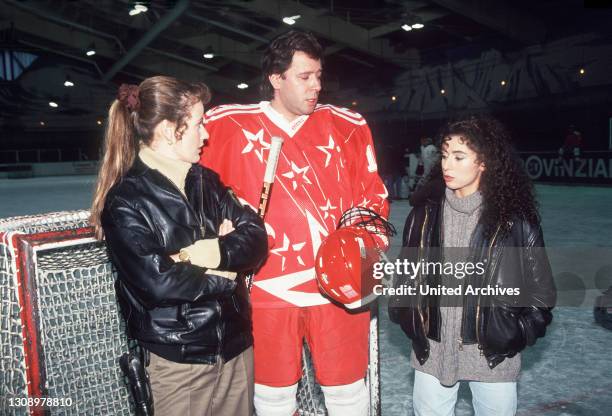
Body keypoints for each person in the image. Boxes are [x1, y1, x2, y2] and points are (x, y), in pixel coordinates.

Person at [200, 30, 389, 416]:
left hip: (339, 290)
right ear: (276, 78)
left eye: (318, 76)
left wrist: (361, 259)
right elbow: (193, 194)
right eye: (304, 77)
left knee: (349, 393)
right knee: (271, 397)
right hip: (266, 291)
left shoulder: (348, 126)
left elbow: (373, 201)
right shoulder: (225, 126)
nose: (315, 86)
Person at [90, 76, 268, 416]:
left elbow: (256, 237)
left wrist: (205, 253)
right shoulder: (126, 201)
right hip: (179, 362)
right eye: (199, 124)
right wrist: (227, 270)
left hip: (236, 350)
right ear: (172, 129)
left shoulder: (208, 182)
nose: (206, 134)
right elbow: (158, 283)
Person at [389, 116, 556, 416]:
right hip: (432, 349)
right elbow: (405, 276)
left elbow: (541, 293)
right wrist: (409, 317)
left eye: (458, 156)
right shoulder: (423, 215)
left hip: (491, 354)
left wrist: (513, 334)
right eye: (444, 155)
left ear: (484, 163)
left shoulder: (514, 221)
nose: (447, 165)